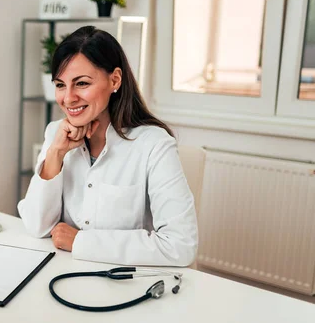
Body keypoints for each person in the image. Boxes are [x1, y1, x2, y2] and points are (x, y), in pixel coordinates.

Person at [18, 26, 198, 267]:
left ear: (115, 80)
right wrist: (56, 153)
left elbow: (180, 245)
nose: (68, 98)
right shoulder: (56, 133)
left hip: (125, 282)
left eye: (81, 83)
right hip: (62, 271)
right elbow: (36, 226)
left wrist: (81, 241)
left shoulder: (154, 144)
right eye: (60, 85)